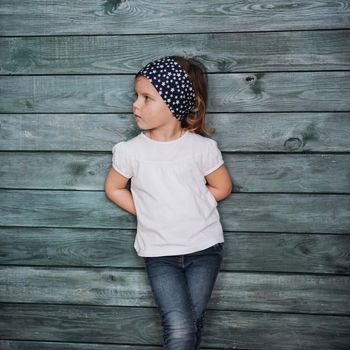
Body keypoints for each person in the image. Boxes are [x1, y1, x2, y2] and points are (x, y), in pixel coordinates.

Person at [105, 56, 232, 350]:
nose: (136, 104)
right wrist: (150, 211)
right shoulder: (131, 151)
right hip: (160, 255)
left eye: (147, 97)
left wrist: (189, 206)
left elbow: (222, 187)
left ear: (175, 103)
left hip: (205, 249)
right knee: (179, 327)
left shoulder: (201, 148)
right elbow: (114, 188)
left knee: (192, 323)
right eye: (136, 96)